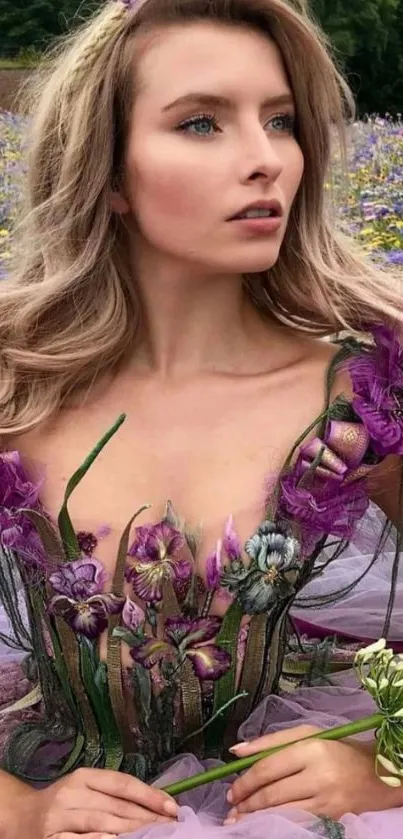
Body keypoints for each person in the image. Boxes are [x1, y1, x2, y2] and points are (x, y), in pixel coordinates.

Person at [0, 0, 403, 837]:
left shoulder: (358, 393)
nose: (266, 161)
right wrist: (18, 810)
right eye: (200, 124)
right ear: (106, 172)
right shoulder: (15, 385)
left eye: (281, 120)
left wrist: (390, 762)